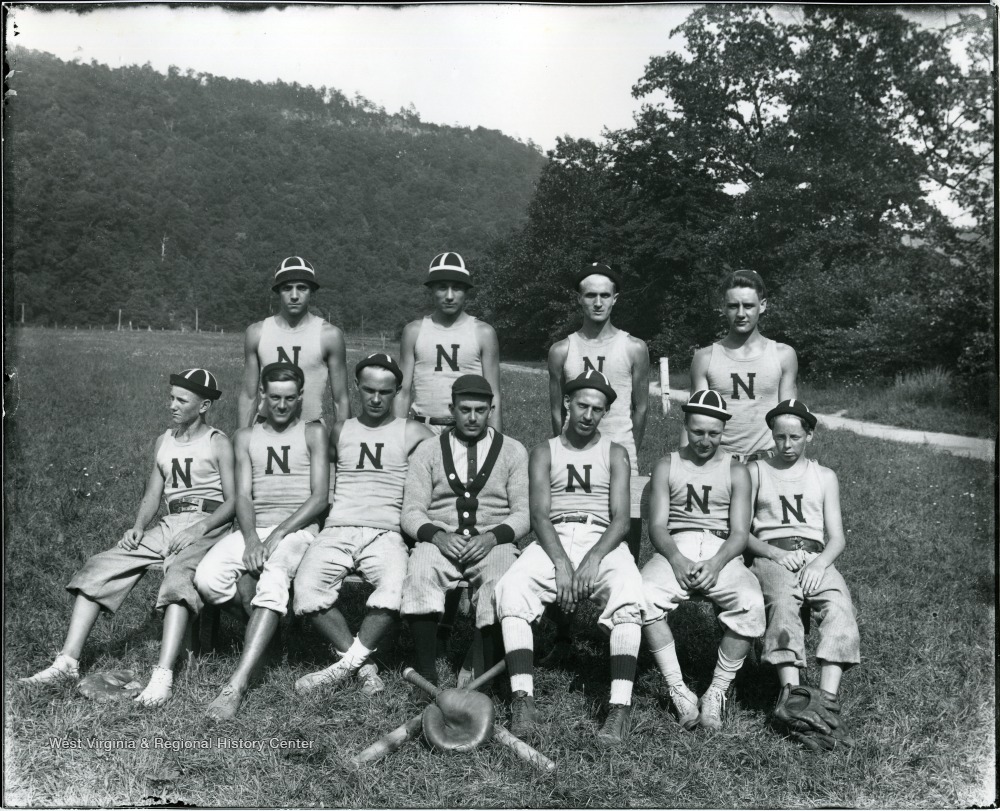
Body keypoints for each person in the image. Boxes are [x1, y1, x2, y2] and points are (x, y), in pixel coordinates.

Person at [20, 369, 235, 707]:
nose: (172, 405)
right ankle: (67, 662)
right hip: (170, 523)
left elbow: (235, 501)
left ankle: (162, 676)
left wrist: (200, 529)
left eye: (182, 400)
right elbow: (153, 493)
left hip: (209, 524)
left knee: (178, 575)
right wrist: (137, 525)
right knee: (100, 565)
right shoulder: (163, 440)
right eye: (171, 397)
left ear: (204, 405)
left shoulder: (217, 441)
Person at [494, 370, 643, 745]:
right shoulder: (545, 450)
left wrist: (592, 560)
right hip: (555, 535)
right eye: (582, 405)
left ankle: (619, 708)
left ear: (605, 412)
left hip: (601, 536)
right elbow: (540, 515)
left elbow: (622, 519)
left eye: (597, 409)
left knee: (628, 590)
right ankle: (522, 698)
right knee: (512, 587)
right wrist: (562, 563)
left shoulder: (615, 452)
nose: (588, 415)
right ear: (566, 403)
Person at [293, 353, 433, 695]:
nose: (374, 398)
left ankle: (343, 668)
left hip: (386, 532)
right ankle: (365, 667)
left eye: (384, 392)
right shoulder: (340, 430)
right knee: (306, 589)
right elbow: (321, 487)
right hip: (338, 527)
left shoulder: (414, 431)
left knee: (395, 590)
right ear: (357, 387)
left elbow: (436, 478)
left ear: (398, 391)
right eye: (368, 389)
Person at [195, 362, 329, 720]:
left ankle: (236, 684)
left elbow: (319, 498)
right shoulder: (246, 436)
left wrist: (280, 533)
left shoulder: (313, 433)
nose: (282, 405)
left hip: (298, 529)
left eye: (289, 398)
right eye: (274, 398)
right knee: (207, 580)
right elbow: (243, 496)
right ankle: (268, 636)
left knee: (272, 578)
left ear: (301, 397)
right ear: (263, 398)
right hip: (256, 528)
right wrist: (252, 538)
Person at [543, 262, 649, 667]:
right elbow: (556, 411)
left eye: (605, 294)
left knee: (624, 545)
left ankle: (620, 630)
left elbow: (640, 409)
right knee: (565, 540)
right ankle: (563, 632)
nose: (598, 301)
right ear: (580, 299)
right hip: (572, 462)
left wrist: (621, 451)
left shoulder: (633, 347)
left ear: (616, 299)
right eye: (590, 294)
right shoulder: (562, 349)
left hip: (620, 459)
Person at [399, 374, 529, 701]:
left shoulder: (513, 451)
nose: (472, 418)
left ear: (491, 410)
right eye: (465, 409)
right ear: (452, 409)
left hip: (492, 542)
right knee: (420, 572)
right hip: (442, 539)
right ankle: (426, 673)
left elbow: (524, 512)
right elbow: (412, 511)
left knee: (499, 580)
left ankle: (481, 673)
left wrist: (492, 538)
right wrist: (438, 536)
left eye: (480, 410)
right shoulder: (427, 450)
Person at [641, 390, 765, 731]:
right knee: (641, 595)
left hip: (720, 550)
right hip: (676, 545)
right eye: (698, 431)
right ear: (686, 425)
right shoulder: (667, 464)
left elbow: (740, 533)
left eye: (713, 433)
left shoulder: (737, 471)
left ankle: (716, 692)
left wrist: (716, 563)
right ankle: (678, 689)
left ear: (723, 430)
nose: (705, 440)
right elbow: (657, 526)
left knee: (751, 601)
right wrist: (677, 560)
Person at [745, 399, 860, 740]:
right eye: (779, 437)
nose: (786, 445)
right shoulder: (756, 471)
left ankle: (826, 703)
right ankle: (793, 701)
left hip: (814, 557)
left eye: (795, 437)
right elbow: (742, 532)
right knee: (783, 601)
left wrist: (820, 563)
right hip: (771, 555)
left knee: (839, 606)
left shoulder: (824, 476)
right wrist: (773, 553)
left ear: (809, 435)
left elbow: (836, 538)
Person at [687, 269, 798, 462]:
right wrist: (684, 467)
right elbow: (694, 420)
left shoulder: (783, 355)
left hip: (768, 463)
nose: (740, 313)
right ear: (723, 307)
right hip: (719, 462)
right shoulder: (705, 358)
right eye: (732, 306)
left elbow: (791, 420)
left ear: (762, 306)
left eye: (748, 306)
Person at [395, 252, 502, 433]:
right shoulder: (413, 331)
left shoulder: (483, 333)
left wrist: (495, 443)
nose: (450, 296)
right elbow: (402, 392)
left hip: (468, 430)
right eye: (442, 287)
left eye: (457, 288)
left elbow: (494, 395)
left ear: (466, 292)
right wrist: (396, 437)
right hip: (422, 428)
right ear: (431, 290)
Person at [238, 256, 350, 428]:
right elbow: (248, 396)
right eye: (287, 288)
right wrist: (242, 441)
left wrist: (342, 446)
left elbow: (340, 399)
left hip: (310, 431)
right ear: (278, 291)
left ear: (311, 291)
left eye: (302, 288)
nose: (295, 296)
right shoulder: (257, 332)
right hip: (265, 428)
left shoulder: (330, 335)